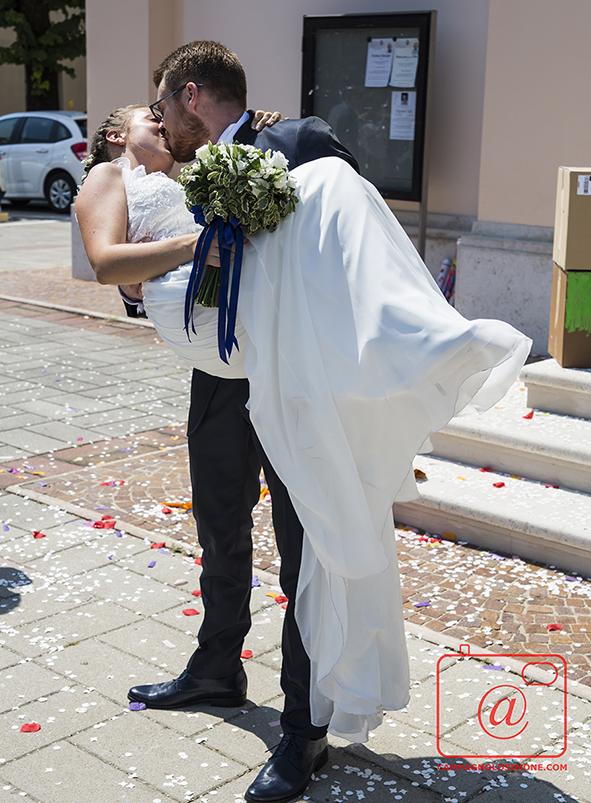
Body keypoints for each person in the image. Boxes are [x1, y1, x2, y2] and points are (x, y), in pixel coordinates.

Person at [76, 41, 531, 803]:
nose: (156, 120)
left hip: (294, 380)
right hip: (219, 378)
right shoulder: (177, 169)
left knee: (303, 544)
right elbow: (142, 251)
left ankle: (303, 725)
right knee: (219, 524)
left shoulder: (298, 140)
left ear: (191, 96)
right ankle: (216, 667)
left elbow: (353, 238)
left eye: (162, 105)